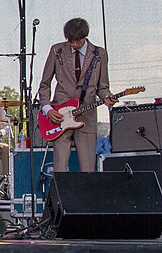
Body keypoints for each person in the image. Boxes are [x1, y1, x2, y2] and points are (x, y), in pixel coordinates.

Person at [37, 17, 117, 172]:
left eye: (78, 41)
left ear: (85, 37)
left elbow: (103, 86)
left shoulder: (99, 54)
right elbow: (44, 84)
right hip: (59, 116)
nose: (74, 44)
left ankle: (86, 196)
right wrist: (48, 109)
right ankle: (60, 196)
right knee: (59, 170)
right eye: (71, 41)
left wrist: (107, 97)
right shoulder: (57, 50)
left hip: (87, 116)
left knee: (88, 170)